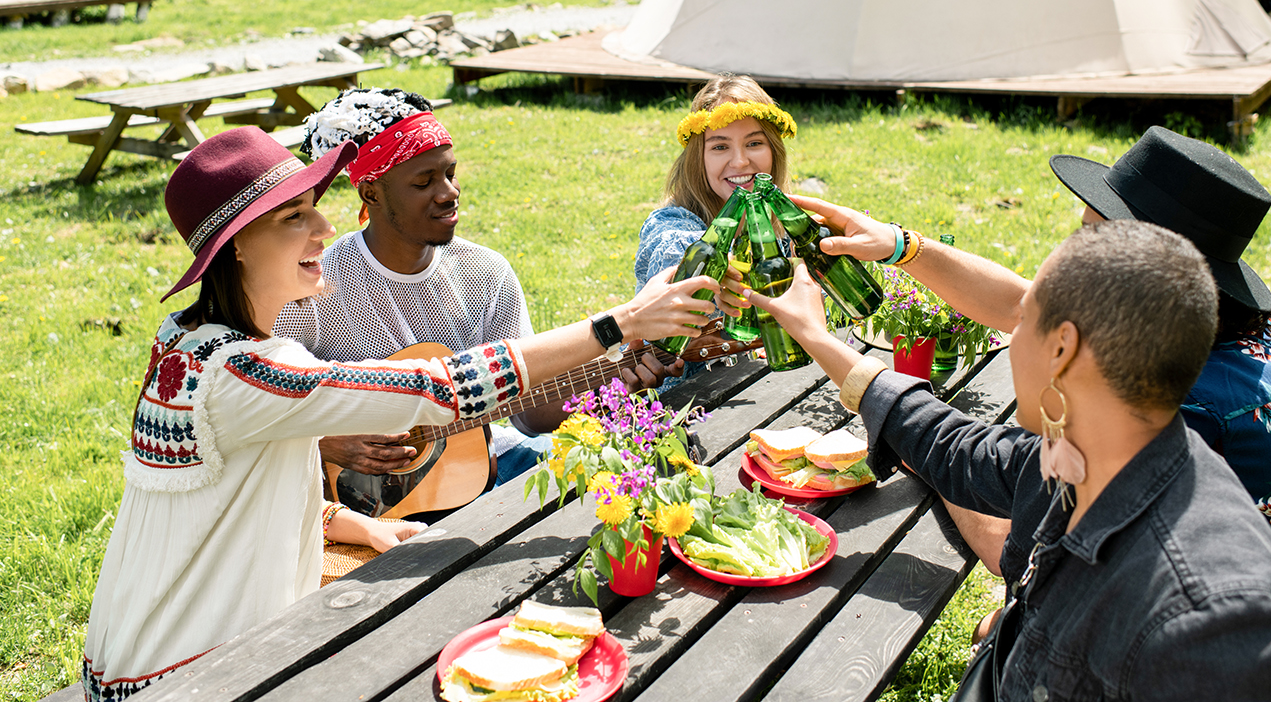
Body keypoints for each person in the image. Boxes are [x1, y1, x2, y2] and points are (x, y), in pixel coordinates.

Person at [81, 127, 718, 701]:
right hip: (192, 673)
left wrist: (364, 530)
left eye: (317, 211)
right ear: (237, 248)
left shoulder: (188, 340)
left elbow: (243, 486)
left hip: (147, 646)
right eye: (294, 218)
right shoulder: (243, 372)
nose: (324, 231)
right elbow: (437, 386)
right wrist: (620, 324)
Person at [765, 126, 1271, 698]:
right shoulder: (1191, 352)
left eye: (1088, 240)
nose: (1012, 330)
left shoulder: (1189, 412)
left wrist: (927, 462)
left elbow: (1024, 549)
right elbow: (1028, 308)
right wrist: (899, 246)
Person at [274, 90, 677, 502]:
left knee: (636, 477)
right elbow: (254, 397)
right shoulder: (318, 285)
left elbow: (528, 411)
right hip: (360, 501)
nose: (449, 192)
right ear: (371, 194)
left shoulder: (486, 274)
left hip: (489, 464)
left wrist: (614, 380)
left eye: (450, 173)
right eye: (424, 181)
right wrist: (321, 440)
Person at [634, 74, 797, 388]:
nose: (740, 161)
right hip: (689, 414)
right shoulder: (673, 226)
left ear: (774, 150)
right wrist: (717, 276)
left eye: (754, 143)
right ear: (699, 158)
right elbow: (678, 258)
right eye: (720, 146)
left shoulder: (786, 226)